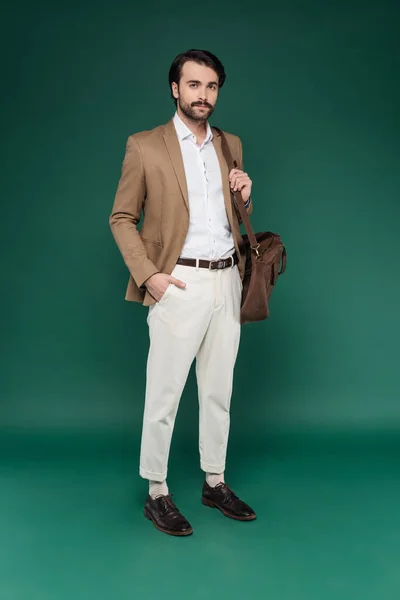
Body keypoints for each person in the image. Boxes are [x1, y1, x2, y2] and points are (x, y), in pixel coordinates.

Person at [109, 49, 256, 536]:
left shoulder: (230, 144)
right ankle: (157, 492)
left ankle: (214, 482)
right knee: (165, 393)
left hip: (227, 279)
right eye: (194, 85)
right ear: (176, 89)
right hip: (179, 282)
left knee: (219, 391)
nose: (203, 95)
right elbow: (122, 217)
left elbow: (231, 220)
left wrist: (245, 196)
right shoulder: (145, 146)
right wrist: (150, 275)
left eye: (211, 86)